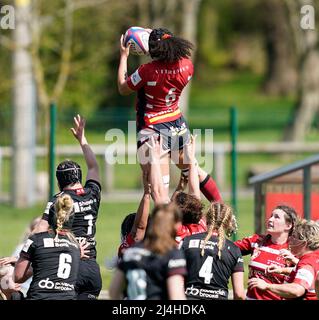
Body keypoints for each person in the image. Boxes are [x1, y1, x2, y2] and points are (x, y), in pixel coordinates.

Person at [117, 27, 222, 203]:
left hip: (152, 128)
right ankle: (222, 211)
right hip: (177, 125)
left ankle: (166, 229)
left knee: (159, 189)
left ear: (152, 50)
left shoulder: (147, 71)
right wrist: (157, 36)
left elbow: (122, 87)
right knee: (194, 170)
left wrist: (123, 56)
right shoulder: (187, 66)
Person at [35, 114, 102, 300]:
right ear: (79, 177)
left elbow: (39, 231)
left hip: (69, 268)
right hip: (92, 268)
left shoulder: (59, 199)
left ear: (58, 182)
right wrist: (83, 140)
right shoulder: (92, 193)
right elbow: (94, 167)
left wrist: (26, 254)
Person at [109, 203, 187, 300]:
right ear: (176, 225)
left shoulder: (130, 252)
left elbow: (113, 291)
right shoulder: (171, 253)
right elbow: (176, 297)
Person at [14, 194, 81, 300]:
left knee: (13, 295)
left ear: (49, 218)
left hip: (39, 297)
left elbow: (17, 277)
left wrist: (37, 266)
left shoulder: (35, 240)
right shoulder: (76, 246)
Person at [181, 202, 245, 300]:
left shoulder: (187, 241)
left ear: (206, 219)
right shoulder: (234, 250)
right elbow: (239, 294)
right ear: (228, 223)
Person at [235, 205, 298, 300]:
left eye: (276, 217)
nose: (270, 219)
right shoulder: (256, 241)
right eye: (271, 216)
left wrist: (293, 261)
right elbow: (228, 248)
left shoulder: (294, 251)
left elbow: (308, 272)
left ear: (288, 225)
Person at [248, 219, 319, 300]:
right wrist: (282, 270)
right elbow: (304, 273)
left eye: (294, 236)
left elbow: (297, 290)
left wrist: (267, 286)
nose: (290, 239)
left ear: (304, 243)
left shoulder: (306, 264)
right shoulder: (314, 258)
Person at [0, 216, 41, 297]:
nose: (40, 226)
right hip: (24, 288)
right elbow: (7, 274)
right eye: (37, 224)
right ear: (31, 229)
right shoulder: (22, 248)